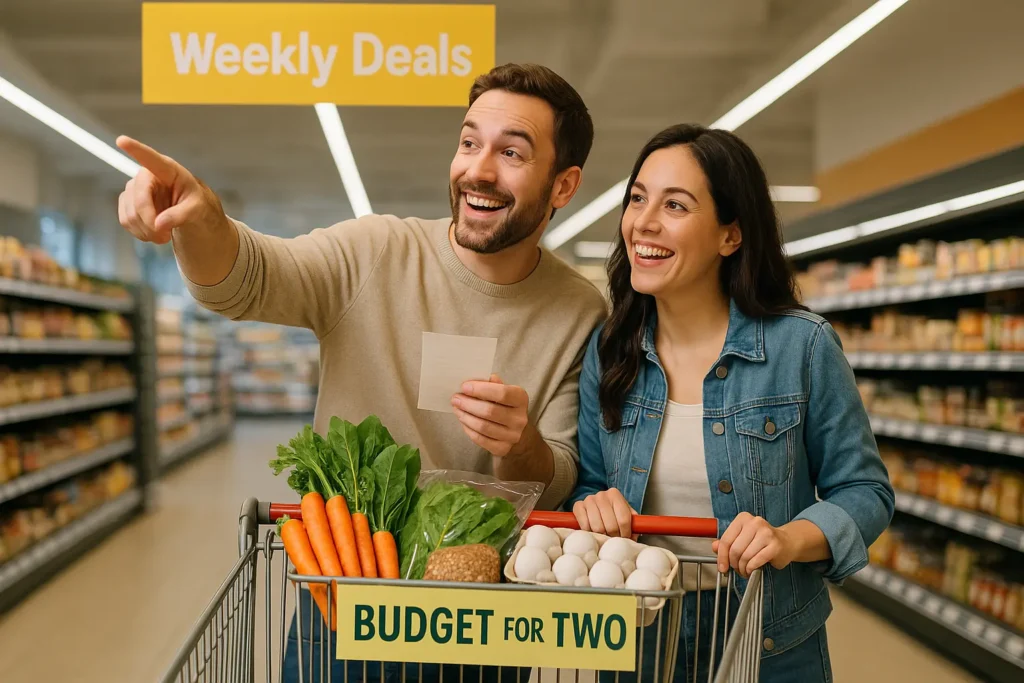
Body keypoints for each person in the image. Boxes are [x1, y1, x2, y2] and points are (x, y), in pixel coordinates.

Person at [116, 63, 608, 682]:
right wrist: (200, 220)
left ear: (563, 186)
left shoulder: (579, 309)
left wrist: (522, 445)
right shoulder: (376, 252)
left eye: (511, 152)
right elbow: (248, 278)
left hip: (484, 610)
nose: (477, 169)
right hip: (345, 592)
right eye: (468, 142)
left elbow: (558, 472)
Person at [566, 123, 895, 683]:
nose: (643, 221)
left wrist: (788, 539)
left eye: (675, 204)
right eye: (638, 198)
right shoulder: (610, 350)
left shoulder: (802, 347)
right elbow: (590, 481)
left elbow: (866, 492)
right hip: (637, 634)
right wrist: (591, 504)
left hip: (768, 639)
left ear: (730, 235)